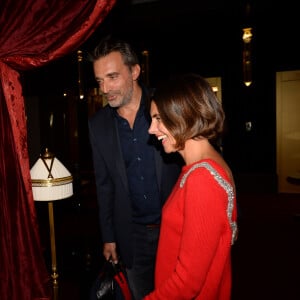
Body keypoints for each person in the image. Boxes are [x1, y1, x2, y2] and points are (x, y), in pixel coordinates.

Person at [88, 35, 183, 300]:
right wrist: (108, 236)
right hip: (132, 235)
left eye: (112, 77)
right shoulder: (98, 126)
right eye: (99, 81)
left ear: (135, 71)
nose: (105, 89)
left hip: (174, 229)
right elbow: (104, 185)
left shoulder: (165, 106)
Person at [144, 73, 238, 300]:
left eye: (158, 119)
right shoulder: (207, 163)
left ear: (183, 116)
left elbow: (187, 284)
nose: (151, 129)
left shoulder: (202, 179)